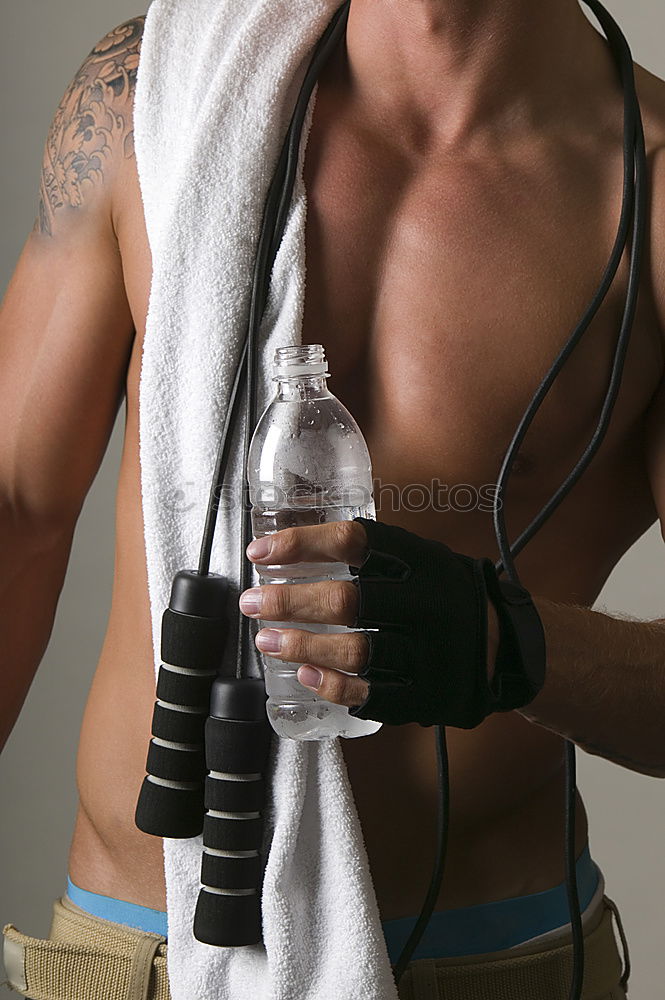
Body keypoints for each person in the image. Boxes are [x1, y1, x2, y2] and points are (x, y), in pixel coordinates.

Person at [2, 1, 664, 997]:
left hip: (480, 964)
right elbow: (16, 507)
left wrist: (506, 645)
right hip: (132, 954)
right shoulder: (149, 98)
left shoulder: (649, 194)